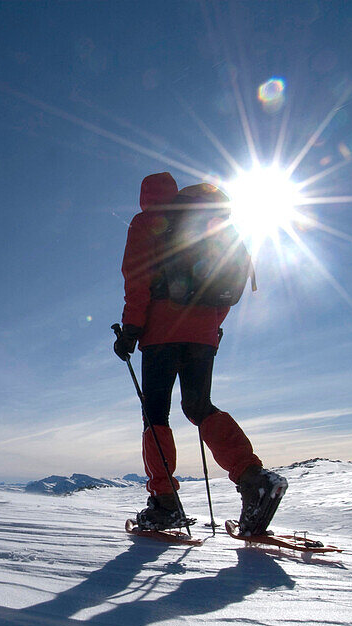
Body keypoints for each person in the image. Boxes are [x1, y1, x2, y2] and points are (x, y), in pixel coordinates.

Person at [114, 172, 286, 534]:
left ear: (145, 197)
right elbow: (227, 287)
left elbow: (138, 280)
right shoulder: (209, 224)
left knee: (156, 413)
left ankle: (164, 503)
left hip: (161, 332)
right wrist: (210, 328)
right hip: (204, 333)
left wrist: (131, 330)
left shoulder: (147, 223)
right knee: (198, 406)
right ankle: (253, 479)